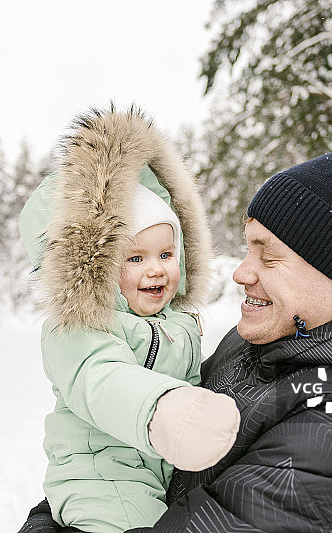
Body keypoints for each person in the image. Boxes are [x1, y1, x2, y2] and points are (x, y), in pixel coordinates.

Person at [20, 149, 332, 532]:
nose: (241, 273)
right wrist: (58, 511)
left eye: (269, 256)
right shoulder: (261, 345)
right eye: (247, 250)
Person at [17, 107, 241, 533]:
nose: (156, 269)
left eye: (166, 254)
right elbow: (101, 379)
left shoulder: (176, 322)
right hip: (102, 478)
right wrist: (164, 409)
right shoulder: (80, 326)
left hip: (153, 474)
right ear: (100, 268)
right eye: (135, 258)